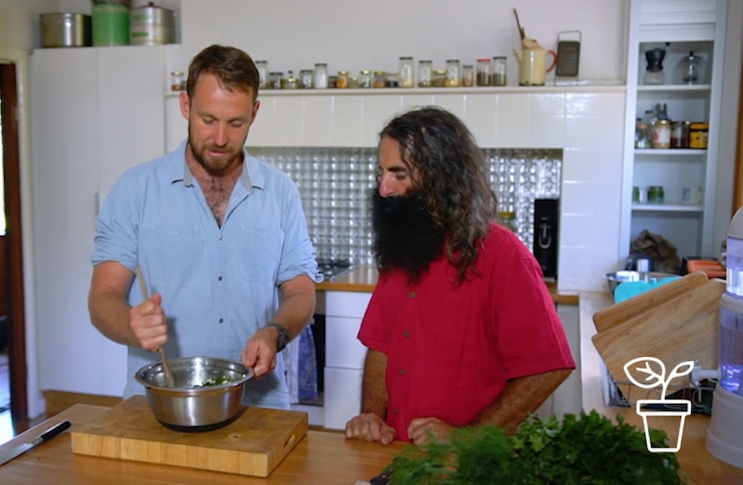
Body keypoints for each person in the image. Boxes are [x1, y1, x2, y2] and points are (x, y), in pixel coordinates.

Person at [87, 44, 320, 410]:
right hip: (158, 405)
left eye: (236, 122)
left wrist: (274, 332)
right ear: (185, 106)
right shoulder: (136, 190)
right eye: (208, 120)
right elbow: (102, 299)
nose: (221, 138)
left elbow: (302, 293)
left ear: (254, 113)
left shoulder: (280, 192)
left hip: (257, 405)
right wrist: (130, 324)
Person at [345, 106, 575, 445]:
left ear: (442, 177)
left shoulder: (503, 255)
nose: (383, 188)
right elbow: (381, 347)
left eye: (399, 174)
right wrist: (372, 416)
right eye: (382, 172)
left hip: (467, 466)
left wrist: (471, 438)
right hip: (396, 456)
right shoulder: (401, 249)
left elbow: (547, 368)